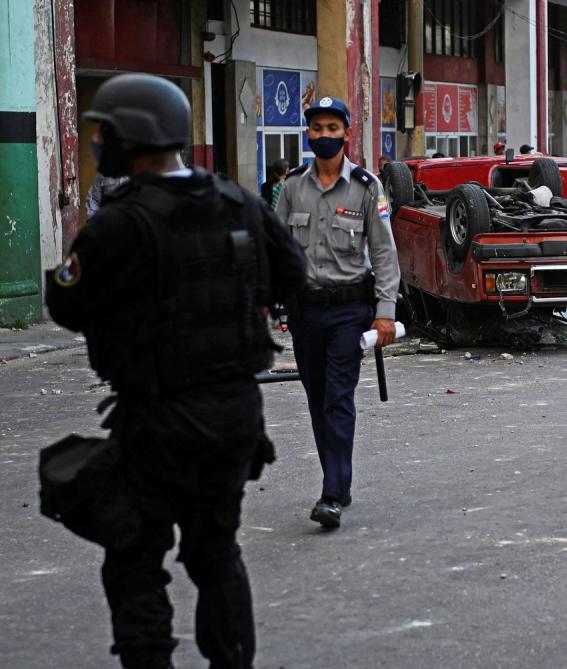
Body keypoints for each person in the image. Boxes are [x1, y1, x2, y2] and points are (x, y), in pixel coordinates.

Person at [45, 74, 307, 669]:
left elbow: (66, 303)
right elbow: (292, 276)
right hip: (236, 413)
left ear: (128, 138)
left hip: (158, 418)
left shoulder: (119, 223)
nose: (98, 144)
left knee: (135, 559)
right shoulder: (239, 201)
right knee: (216, 554)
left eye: (103, 134)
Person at [276, 96, 401, 529]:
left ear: (347, 133)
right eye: (317, 128)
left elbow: (384, 254)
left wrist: (385, 313)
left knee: (337, 398)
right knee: (316, 399)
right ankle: (340, 480)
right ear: (307, 134)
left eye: (333, 128)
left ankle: (331, 493)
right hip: (305, 311)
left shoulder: (367, 187)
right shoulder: (292, 186)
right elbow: (278, 250)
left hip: (350, 309)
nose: (324, 136)